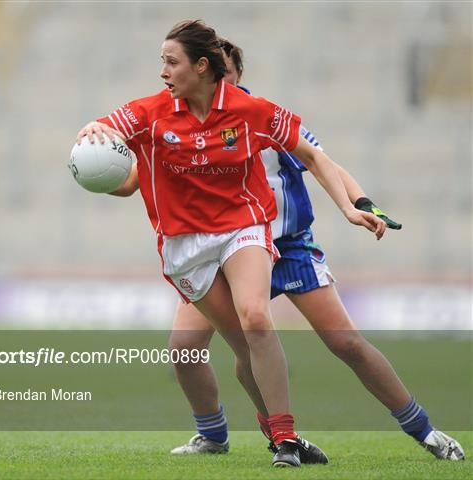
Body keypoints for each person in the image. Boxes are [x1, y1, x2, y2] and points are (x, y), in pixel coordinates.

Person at [109, 37, 466, 463]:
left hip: (286, 246)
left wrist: (359, 203)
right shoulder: (183, 125)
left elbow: (321, 160)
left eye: (226, 72)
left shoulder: (258, 117)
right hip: (223, 249)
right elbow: (134, 178)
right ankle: (223, 435)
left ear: (232, 74)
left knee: (345, 343)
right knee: (191, 350)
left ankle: (424, 430)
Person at [76, 20, 388, 468]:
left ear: (202, 66)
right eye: (161, 61)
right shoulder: (151, 111)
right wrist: (93, 130)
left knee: (256, 317)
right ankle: (255, 434)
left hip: (244, 228)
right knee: (236, 347)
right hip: (185, 247)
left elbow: (316, 156)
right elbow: (110, 132)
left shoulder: (249, 110)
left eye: (171, 61)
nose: (162, 71)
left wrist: (350, 207)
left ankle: (284, 441)